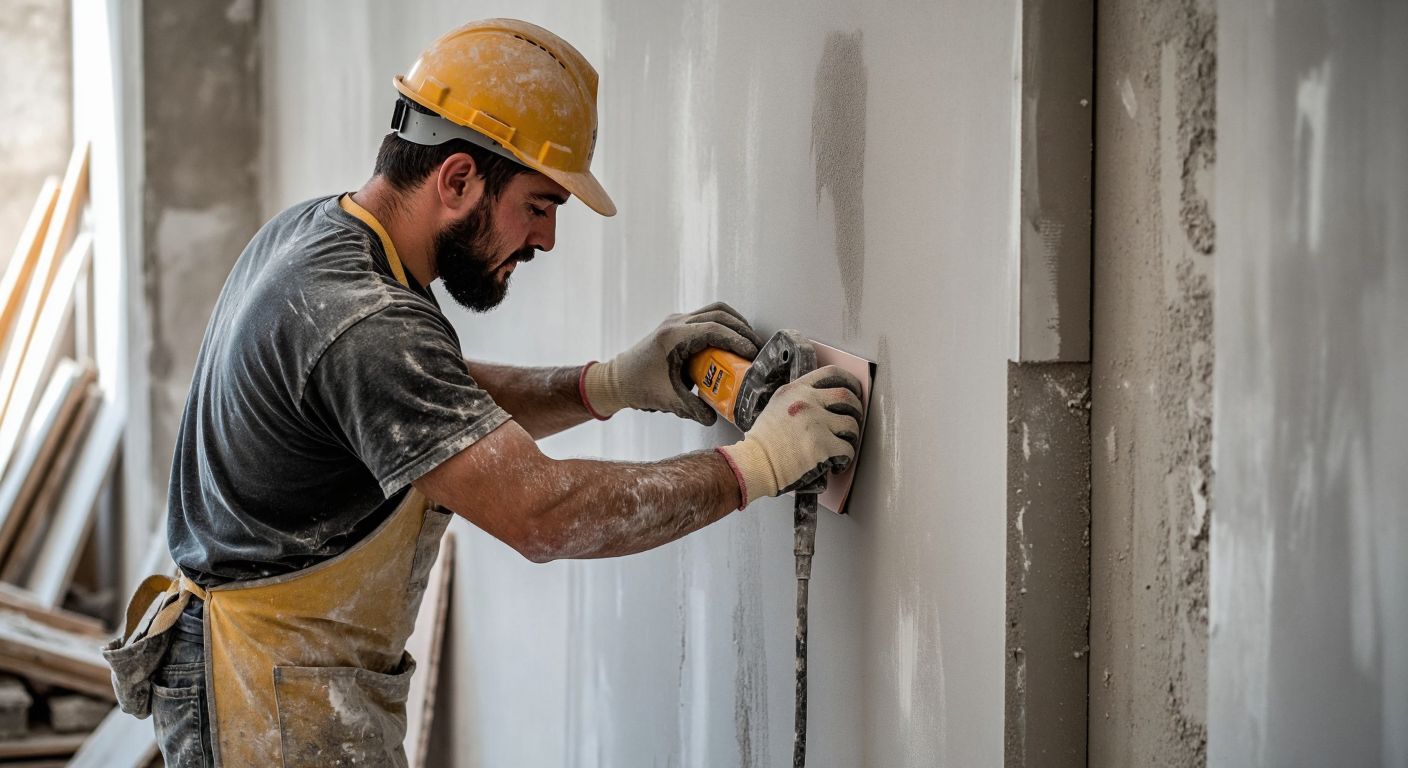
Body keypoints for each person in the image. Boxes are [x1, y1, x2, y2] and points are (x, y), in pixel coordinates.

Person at [104, 18, 863, 767]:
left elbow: (431, 404)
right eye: (539, 206)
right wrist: (755, 467)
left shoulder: (322, 238)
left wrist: (608, 384)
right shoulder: (366, 323)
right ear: (459, 178)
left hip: (266, 670)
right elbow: (543, 513)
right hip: (266, 704)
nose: (546, 240)